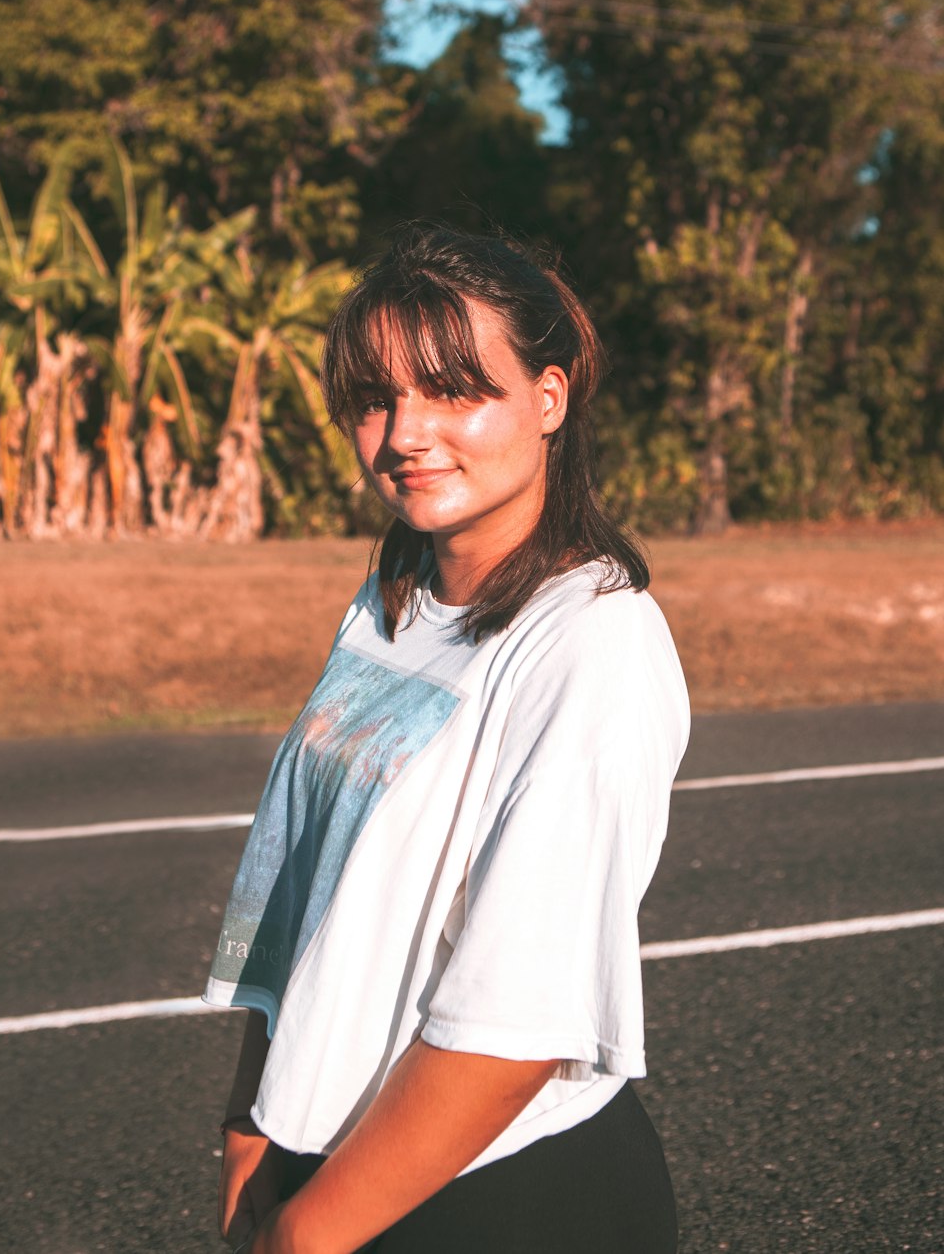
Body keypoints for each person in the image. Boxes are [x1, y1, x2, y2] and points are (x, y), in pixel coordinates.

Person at [203, 225, 690, 1254]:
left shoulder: (590, 642)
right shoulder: (395, 600)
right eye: (375, 400)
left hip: (500, 1194)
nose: (406, 434)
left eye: (457, 391)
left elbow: (520, 1016)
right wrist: (252, 1129)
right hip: (328, 1162)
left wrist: (306, 1236)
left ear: (549, 398)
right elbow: (304, 888)